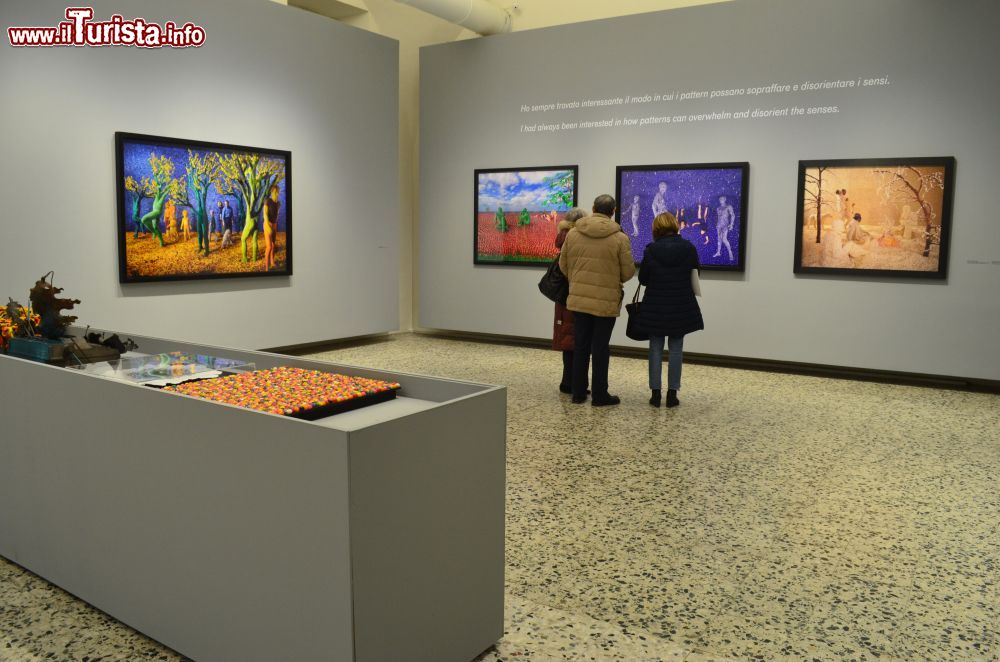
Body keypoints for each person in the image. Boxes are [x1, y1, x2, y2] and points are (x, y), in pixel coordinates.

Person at [559, 194, 636, 406]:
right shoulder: (620, 238)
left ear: (593, 208)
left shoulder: (573, 233)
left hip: (579, 300)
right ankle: (600, 395)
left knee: (581, 345)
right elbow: (628, 272)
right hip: (605, 302)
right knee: (600, 347)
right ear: (613, 211)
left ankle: (578, 393)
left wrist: (576, 280)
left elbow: (563, 265)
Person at [636, 212, 704, 408]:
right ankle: (672, 394)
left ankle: (655, 394)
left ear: (656, 229)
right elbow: (696, 274)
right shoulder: (689, 248)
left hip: (655, 306)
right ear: (675, 226)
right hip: (680, 306)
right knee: (676, 349)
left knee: (655, 349)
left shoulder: (651, 250)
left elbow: (643, 280)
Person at [552, 207, 588, 394]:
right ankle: (573, 383)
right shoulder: (576, 238)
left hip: (563, 296)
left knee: (568, 339)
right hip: (576, 294)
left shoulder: (563, 237)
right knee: (577, 339)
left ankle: (567, 381)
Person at [263, 184, 280, 271]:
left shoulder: (278, 203)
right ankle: (266, 267)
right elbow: (265, 214)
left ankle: (272, 262)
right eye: (276, 191)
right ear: (273, 191)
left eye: (278, 192)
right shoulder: (268, 201)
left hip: (274, 225)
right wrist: (267, 225)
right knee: (269, 247)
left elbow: (277, 215)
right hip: (267, 224)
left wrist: (275, 225)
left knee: (273, 245)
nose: (277, 193)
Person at [712, 195, 735, 260]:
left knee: (724, 239)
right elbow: (719, 217)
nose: (721, 200)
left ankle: (730, 252)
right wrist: (717, 224)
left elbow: (732, 215)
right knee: (719, 239)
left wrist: (731, 224)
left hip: (725, 225)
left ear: (725, 199)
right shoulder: (718, 208)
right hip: (719, 225)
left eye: (722, 198)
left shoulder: (728, 206)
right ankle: (718, 252)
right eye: (720, 199)